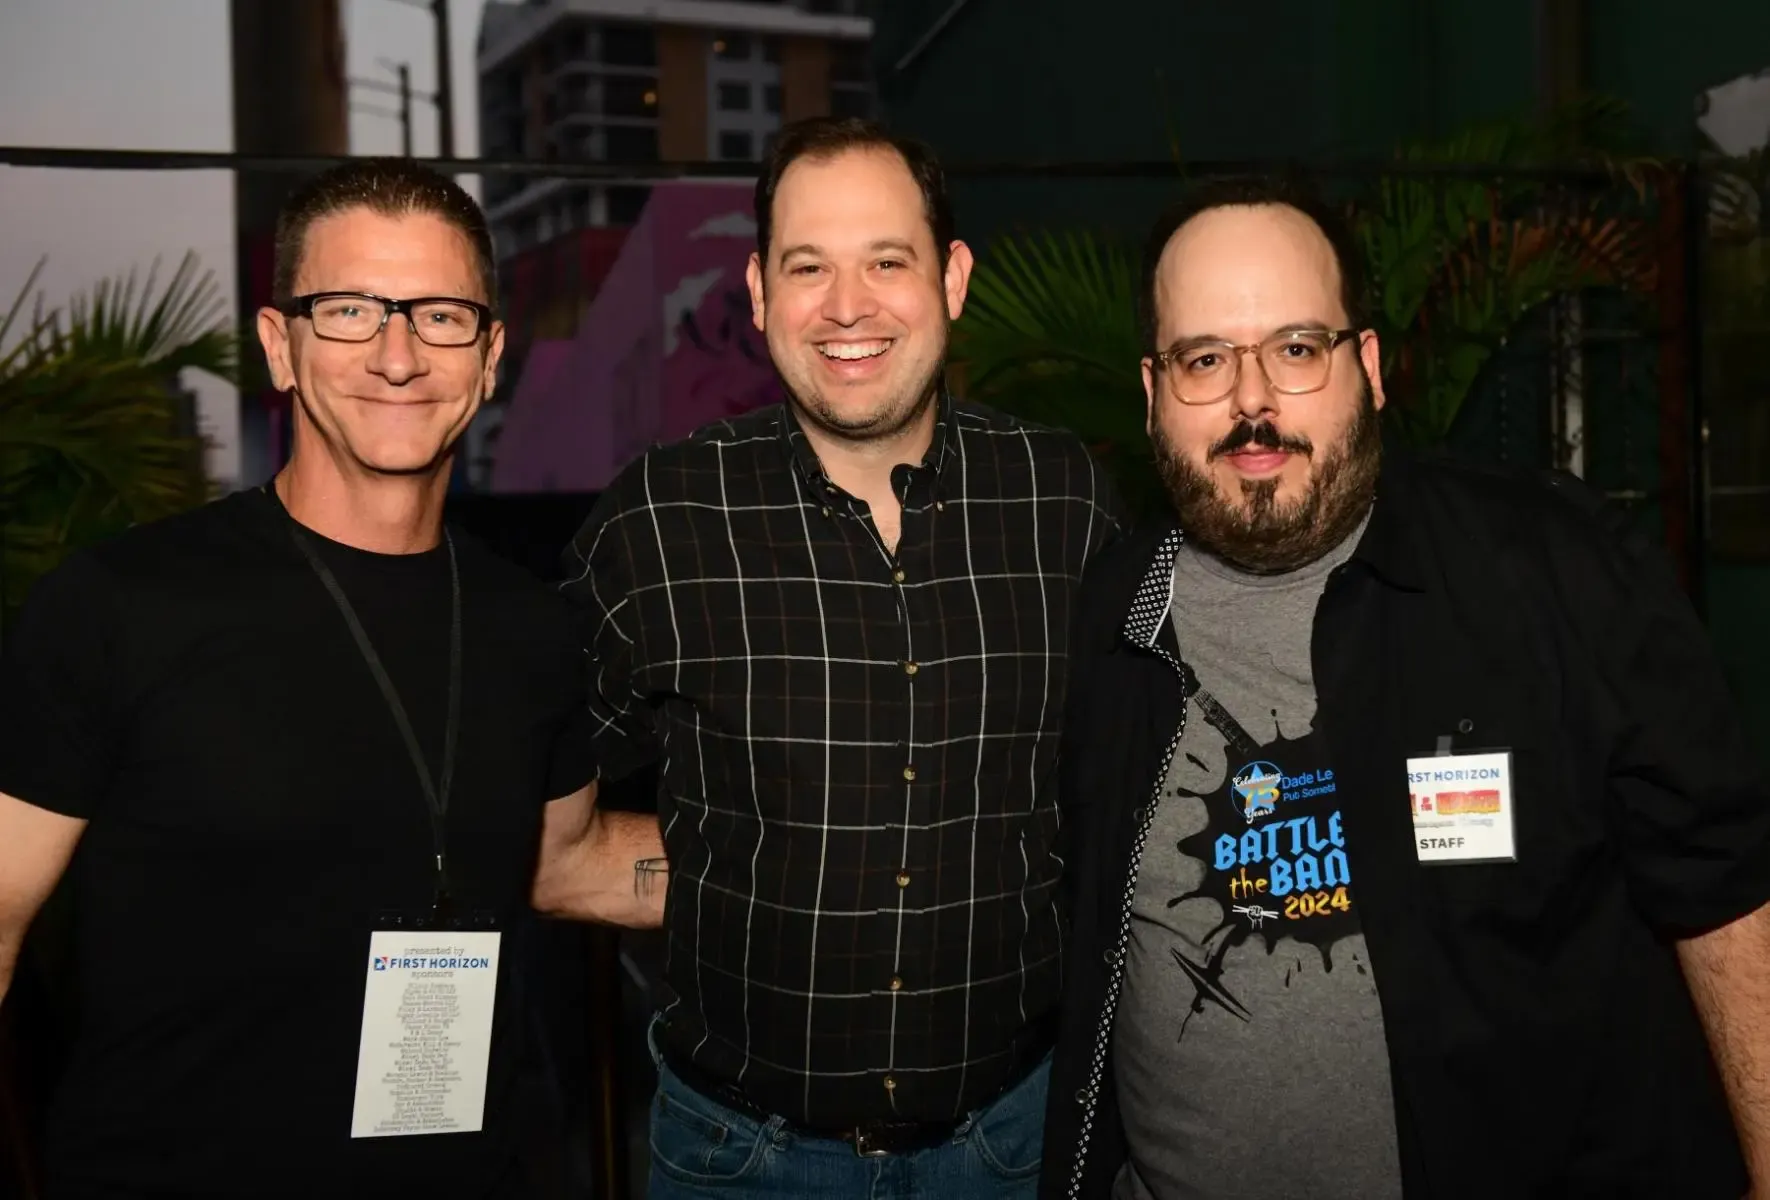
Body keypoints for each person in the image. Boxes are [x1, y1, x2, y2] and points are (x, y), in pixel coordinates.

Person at [1039, 173, 1770, 1200]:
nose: (1253, 403)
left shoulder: (1552, 570)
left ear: (1370, 368)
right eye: (1206, 360)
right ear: (1154, 392)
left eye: (1297, 348)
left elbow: (1725, 889)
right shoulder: (1116, 614)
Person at [0, 157, 655, 1200]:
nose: (397, 355)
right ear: (281, 346)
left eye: (441, 316)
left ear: (490, 356)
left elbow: (567, 863)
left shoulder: (532, 628)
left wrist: (856, 861)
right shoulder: (119, 606)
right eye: (349, 311)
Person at [553, 115, 1123, 1199]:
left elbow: (1119, 796)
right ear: (760, 292)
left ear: (953, 278)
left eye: (887, 262)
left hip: (1013, 1147)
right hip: (739, 1161)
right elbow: (540, 830)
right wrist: (739, 883)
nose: (847, 306)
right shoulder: (658, 524)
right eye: (809, 266)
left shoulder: (1063, 500)